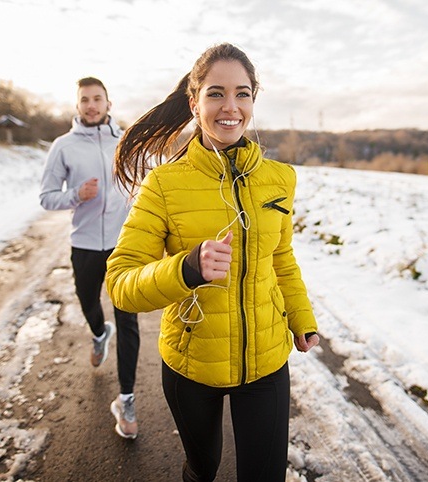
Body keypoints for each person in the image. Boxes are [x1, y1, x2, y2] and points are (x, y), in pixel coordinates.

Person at [106, 43, 320, 481]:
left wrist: (302, 317)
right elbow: (121, 282)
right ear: (194, 101)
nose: (230, 107)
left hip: (266, 360)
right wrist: (186, 268)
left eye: (242, 94)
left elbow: (281, 258)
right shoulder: (163, 185)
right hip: (192, 363)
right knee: (202, 470)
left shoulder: (280, 179)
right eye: (216, 93)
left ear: (253, 101)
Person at [40, 77, 140, 440]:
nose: (92, 105)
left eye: (98, 99)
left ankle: (126, 400)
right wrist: (76, 195)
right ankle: (99, 334)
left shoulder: (125, 142)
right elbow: (47, 196)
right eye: (85, 99)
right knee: (88, 304)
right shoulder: (63, 147)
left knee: (128, 321)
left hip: (123, 246)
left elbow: (141, 183)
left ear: (108, 104)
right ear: (78, 105)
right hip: (83, 244)